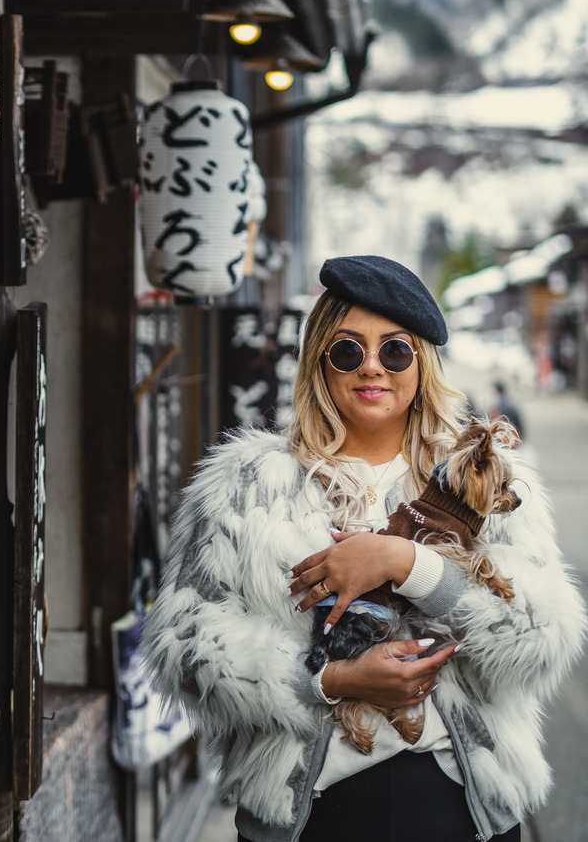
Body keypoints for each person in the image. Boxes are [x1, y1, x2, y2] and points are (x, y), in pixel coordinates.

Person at [143, 255, 586, 842]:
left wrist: (410, 566)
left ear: (422, 361)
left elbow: (544, 633)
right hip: (308, 809)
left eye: (395, 350)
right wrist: (332, 680)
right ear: (318, 362)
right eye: (347, 350)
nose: (371, 367)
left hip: (463, 799)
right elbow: (184, 644)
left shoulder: (482, 476)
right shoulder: (247, 484)